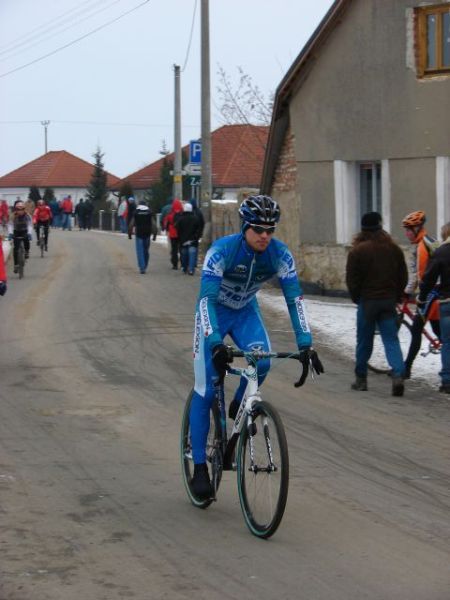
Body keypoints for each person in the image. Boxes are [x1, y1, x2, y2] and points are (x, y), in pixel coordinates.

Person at [189, 194, 324, 498]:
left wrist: (306, 344)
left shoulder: (280, 255)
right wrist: (215, 343)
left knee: (262, 362)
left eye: (270, 229)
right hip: (214, 314)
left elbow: (295, 299)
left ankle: (241, 403)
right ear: (245, 227)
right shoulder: (221, 251)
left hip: (245, 313)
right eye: (258, 229)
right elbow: (206, 300)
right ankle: (199, 467)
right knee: (206, 389)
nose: (265, 235)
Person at [346, 212, 408, 396]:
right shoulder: (394, 249)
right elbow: (403, 276)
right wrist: (396, 296)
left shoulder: (357, 251)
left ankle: (361, 379)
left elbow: (352, 280)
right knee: (391, 340)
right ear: (380, 227)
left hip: (367, 302)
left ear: (363, 229)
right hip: (388, 301)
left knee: (364, 341)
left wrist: (357, 298)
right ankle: (398, 375)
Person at [402, 210, 441, 378]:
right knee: (439, 331)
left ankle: (406, 369)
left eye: (408, 230)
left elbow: (419, 275)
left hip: (430, 294)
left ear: (417, 228)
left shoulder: (422, 247)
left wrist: (407, 292)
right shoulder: (431, 241)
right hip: (438, 292)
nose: (406, 233)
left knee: (416, 329)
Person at [418, 222, 450, 393]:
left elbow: (429, 278)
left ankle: (447, 381)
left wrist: (422, 297)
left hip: (447, 302)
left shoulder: (441, 252)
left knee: (448, 342)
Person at [176, 202, 202, 275]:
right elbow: (199, 229)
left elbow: (177, 229)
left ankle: (184, 268)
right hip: (193, 240)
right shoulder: (195, 218)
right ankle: (191, 270)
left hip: (183, 240)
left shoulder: (181, 219)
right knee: (192, 255)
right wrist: (196, 237)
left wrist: (179, 238)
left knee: (184, 255)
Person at [128, 199, 153, 274]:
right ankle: (145, 264)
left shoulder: (136, 212)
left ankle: (142, 268)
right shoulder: (149, 212)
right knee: (146, 250)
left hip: (139, 234)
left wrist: (129, 234)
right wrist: (154, 235)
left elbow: (131, 224)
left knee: (140, 251)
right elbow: (154, 224)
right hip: (147, 234)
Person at [8, 201, 33, 273]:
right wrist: (10, 233)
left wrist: (29, 233)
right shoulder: (12, 216)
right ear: (16, 210)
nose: (20, 211)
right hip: (16, 231)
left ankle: (27, 251)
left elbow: (30, 225)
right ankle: (16, 264)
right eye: (18, 210)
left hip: (24, 230)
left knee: (26, 240)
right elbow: (10, 225)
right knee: (15, 248)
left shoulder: (27, 215)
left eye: (22, 209)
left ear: (24, 209)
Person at [163, 198, 183, 269]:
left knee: (174, 249)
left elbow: (166, 224)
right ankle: (183, 263)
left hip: (172, 233)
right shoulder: (182, 214)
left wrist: (166, 229)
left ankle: (175, 264)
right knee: (181, 249)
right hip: (181, 233)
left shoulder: (170, 214)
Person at [189, 197, 205, 270]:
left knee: (190, 247)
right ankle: (194, 262)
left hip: (190, 233)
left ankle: (190, 263)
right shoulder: (199, 212)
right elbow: (202, 222)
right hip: (197, 233)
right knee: (195, 247)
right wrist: (200, 232)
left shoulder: (189, 211)